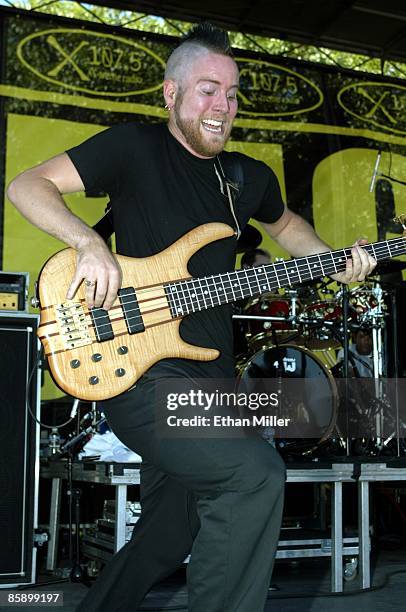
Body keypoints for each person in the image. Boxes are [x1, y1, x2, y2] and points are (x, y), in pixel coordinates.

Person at [7, 23, 376, 612]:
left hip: (211, 377)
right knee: (253, 478)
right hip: (140, 370)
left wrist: (336, 262)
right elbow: (28, 186)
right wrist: (89, 244)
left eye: (231, 95)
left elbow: (288, 230)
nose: (222, 107)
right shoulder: (132, 148)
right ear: (170, 94)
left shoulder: (247, 177)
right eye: (207, 90)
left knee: (169, 528)